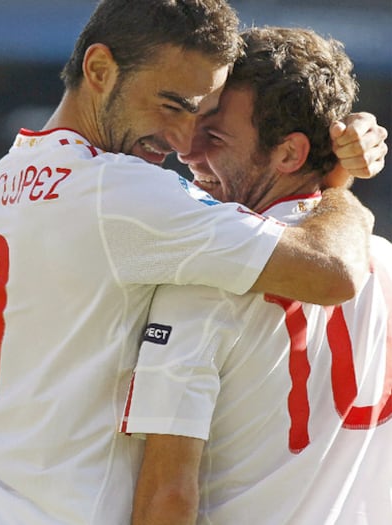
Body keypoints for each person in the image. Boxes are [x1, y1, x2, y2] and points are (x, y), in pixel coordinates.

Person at [0, 0, 386, 522]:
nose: (179, 143)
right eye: (172, 106)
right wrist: (338, 181)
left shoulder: (0, 178)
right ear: (99, 70)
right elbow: (333, 271)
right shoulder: (128, 195)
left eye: (200, 118)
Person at [123, 27, 392, 525]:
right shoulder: (383, 259)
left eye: (215, 136)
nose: (187, 151)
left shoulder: (206, 279)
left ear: (289, 154)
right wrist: (338, 181)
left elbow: (168, 499)